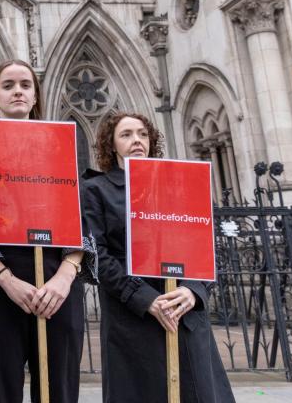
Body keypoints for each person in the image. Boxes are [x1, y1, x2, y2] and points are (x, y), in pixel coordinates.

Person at [0, 60, 97, 403]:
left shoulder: (59, 146)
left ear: (35, 95)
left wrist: (65, 278)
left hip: (57, 288)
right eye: (8, 85)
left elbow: (82, 221)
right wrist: (6, 280)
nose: (18, 91)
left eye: (25, 84)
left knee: (59, 392)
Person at [81, 111, 235, 403]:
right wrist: (146, 299)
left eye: (141, 133)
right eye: (126, 135)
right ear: (111, 145)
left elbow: (199, 242)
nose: (136, 140)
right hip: (133, 317)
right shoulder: (95, 190)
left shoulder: (178, 182)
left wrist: (194, 290)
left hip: (182, 313)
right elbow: (97, 254)